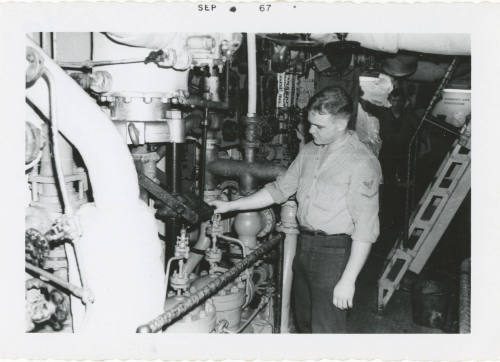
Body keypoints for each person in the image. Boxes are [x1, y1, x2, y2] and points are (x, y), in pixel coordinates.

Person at [210, 86, 382, 333]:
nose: (310, 130)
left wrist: (348, 280)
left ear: (342, 124)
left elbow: (365, 229)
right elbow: (278, 190)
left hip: (334, 253)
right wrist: (230, 206)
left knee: (327, 330)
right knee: (304, 322)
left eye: (319, 126)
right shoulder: (310, 151)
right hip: (304, 247)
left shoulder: (361, 162)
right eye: (310, 123)